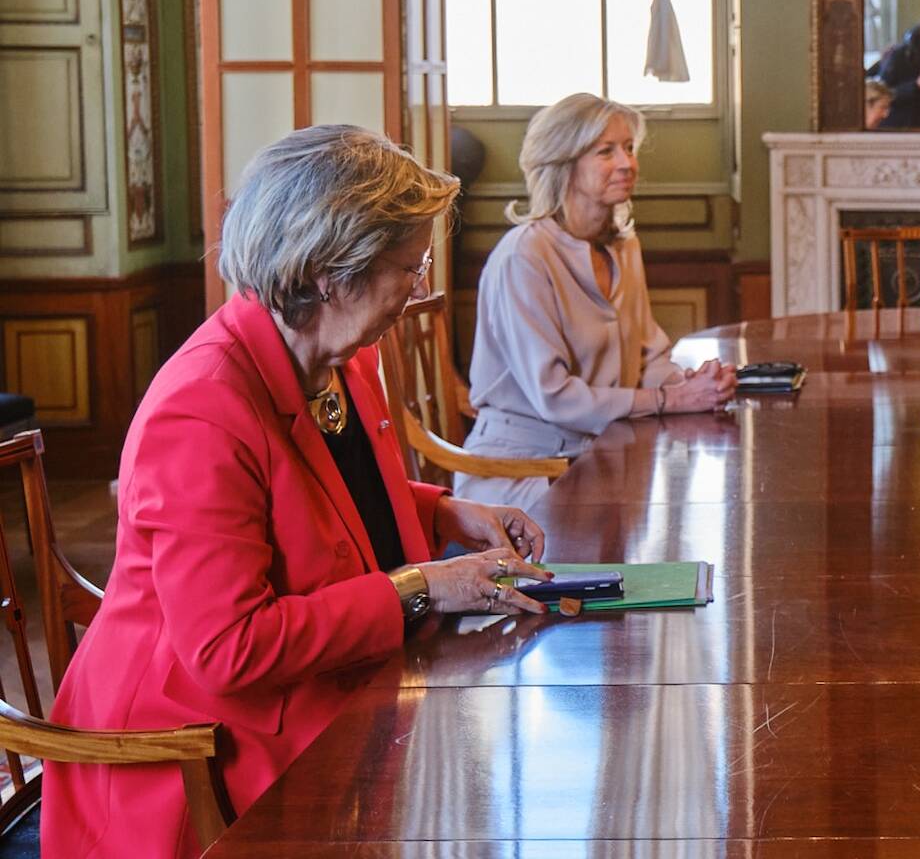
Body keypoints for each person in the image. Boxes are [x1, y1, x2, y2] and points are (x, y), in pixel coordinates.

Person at [44, 126, 555, 859]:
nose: (415, 292)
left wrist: (442, 509)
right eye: (406, 270)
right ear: (330, 272)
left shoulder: (338, 357)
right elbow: (227, 649)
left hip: (314, 694)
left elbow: (323, 503)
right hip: (195, 753)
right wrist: (420, 586)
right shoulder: (203, 407)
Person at [462, 93, 736, 508]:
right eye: (606, 151)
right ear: (564, 164)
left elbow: (648, 358)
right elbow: (556, 397)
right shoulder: (523, 256)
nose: (628, 163)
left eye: (629, 148)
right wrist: (669, 401)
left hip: (599, 457)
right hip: (524, 475)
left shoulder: (624, 246)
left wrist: (696, 386)